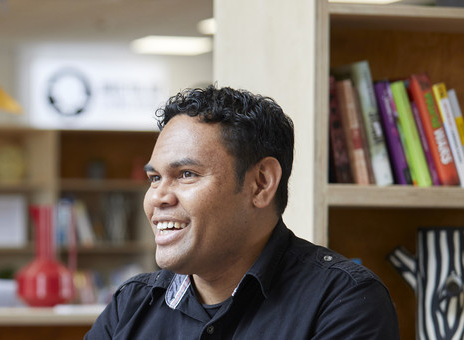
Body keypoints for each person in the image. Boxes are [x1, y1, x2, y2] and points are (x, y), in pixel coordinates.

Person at [85, 85, 399, 339]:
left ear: (261, 184)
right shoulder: (132, 304)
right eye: (155, 178)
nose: (158, 198)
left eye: (186, 174)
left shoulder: (343, 301)